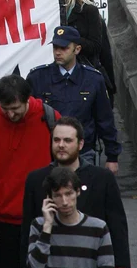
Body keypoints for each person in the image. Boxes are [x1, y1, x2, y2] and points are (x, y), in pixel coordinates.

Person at [20, 117, 130, 268]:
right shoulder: (36, 179)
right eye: (56, 140)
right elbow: (27, 226)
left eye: (67, 140)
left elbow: (117, 221)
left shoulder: (102, 178)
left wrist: (121, 264)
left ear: (80, 144)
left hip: (89, 267)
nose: (61, 145)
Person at [0, 74, 59, 268]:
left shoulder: (50, 118)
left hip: (42, 218)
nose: (10, 114)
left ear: (28, 99)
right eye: (5, 108)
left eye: (16, 108)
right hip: (4, 222)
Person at [27, 167, 114, 268]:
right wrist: (47, 227)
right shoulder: (38, 226)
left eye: (68, 194)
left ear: (78, 192)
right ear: (49, 198)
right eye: (58, 196)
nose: (64, 201)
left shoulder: (98, 228)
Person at [26, 26, 121, 170]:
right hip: (47, 155)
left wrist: (112, 156)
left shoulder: (93, 79)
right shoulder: (38, 77)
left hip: (83, 153)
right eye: (55, 47)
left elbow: (105, 120)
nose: (57, 52)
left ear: (77, 49)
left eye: (64, 48)